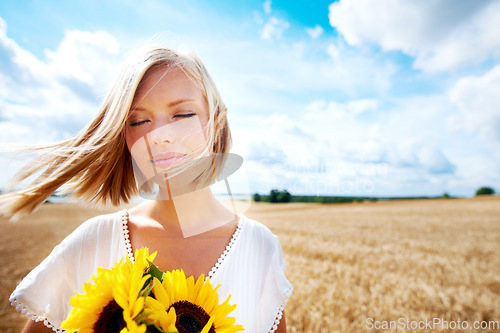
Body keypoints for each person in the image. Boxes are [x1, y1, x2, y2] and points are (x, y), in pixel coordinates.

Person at [2, 45, 292, 332]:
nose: (159, 136)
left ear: (215, 121)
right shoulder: (93, 242)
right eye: (139, 121)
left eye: (182, 115)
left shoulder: (260, 247)